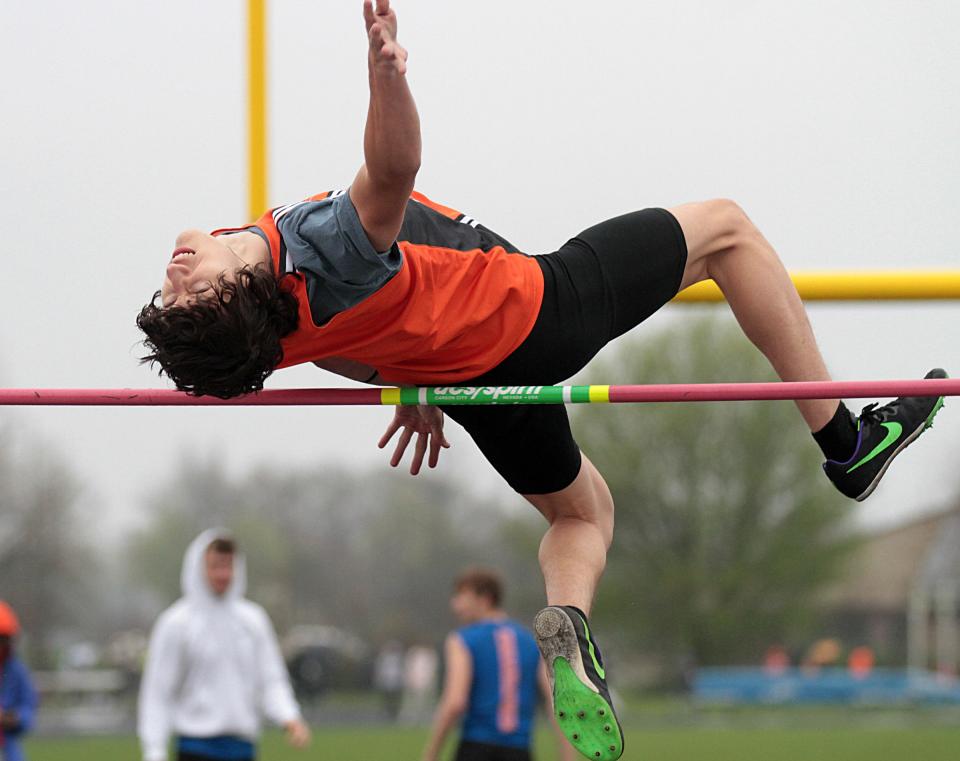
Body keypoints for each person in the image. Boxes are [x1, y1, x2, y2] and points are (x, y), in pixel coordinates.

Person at [135, 2, 947, 758]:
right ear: (238, 295)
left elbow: (337, 348)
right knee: (726, 230)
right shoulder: (319, 246)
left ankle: (569, 622)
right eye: (190, 290)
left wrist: (406, 376)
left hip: (470, 385)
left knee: (581, 509)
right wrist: (386, 75)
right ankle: (847, 441)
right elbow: (392, 170)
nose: (176, 272)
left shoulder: (270, 333)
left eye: (172, 289)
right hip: (530, 314)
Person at [138, 531, 310, 761]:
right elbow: (159, 691)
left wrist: (289, 717)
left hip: (242, 748)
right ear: (199, 567)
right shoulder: (177, 623)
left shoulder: (253, 620)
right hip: (196, 748)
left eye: (229, 566)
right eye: (215, 566)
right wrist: (154, 750)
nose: (223, 574)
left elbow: (271, 679)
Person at [422, 569, 574, 761]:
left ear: (484, 599)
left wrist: (431, 753)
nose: (455, 604)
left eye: (461, 596)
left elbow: (455, 701)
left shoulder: (462, 639)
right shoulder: (531, 642)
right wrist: (568, 756)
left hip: (476, 747)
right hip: (519, 751)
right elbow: (557, 704)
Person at [0, 601, 39, 761]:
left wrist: (14, 718)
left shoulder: (16, 671)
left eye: (3, 639)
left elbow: (28, 709)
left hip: (7, 747)